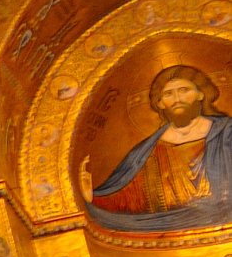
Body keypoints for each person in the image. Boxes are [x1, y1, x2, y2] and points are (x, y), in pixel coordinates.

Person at [90, 65, 232, 230]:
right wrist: (90, 197)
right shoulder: (146, 152)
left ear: (201, 94)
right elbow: (122, 197)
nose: (177, 99)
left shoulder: (227, 133)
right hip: (170, 232)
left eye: (184, 90)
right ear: (161, 103)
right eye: (168, 94)